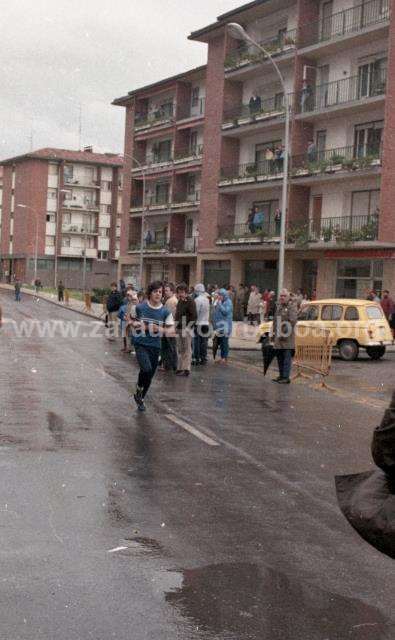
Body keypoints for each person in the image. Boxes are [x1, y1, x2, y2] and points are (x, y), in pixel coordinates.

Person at [130, 281, 175, 411]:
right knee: (146, 368)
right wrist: (136, 325)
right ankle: (139, 387)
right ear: (150, 293)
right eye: (155, 291)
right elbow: (131, 320)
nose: (158, 294)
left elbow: (171, 331)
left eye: (160, 292)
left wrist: (158, 329)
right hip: (141, 343)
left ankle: (140, 398)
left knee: (150, 375)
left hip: (155, 346)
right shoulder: (141, 307)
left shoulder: (165, 312)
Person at [273, 289, 298, 384]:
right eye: (281, 296)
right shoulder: (279, 307)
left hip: (287, 337)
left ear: (288, 297)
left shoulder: (291, 307)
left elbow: (292, 321)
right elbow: (275, 321)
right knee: (279, 357)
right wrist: (273, 333)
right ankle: (281, 375)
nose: (282, 297)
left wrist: (284, 333)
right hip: (279, 337)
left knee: (286, 358)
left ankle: (286, 377)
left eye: (284, 296)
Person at [175, 283, 197, 376]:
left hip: (186, 328)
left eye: (182, 292)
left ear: (186, 292)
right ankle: (180, 368)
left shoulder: (190, 301)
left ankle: (186, 369)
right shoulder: (180, 301)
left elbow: (194, 316)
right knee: (180, 349)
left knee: (187, 349)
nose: (180, 294)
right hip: (179, 327)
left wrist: (189, 327)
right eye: (179, 292)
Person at [212, 288, 233, 363]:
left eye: (220, 295)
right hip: (219, 326)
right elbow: (215, 313)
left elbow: (225, 312)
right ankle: (222, 357)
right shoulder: (219, 302)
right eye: (219, 295)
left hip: (225, 326)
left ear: (224, 295)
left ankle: (224, 357)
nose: (219, 297)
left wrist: (220, 304)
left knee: (224, 342)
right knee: (220, 342)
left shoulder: (228, 302)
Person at [161, 283, 178, 372]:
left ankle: (168, 365)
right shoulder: (174, 300)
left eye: (167, 291)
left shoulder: (170, 301)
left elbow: (168, 316)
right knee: (172, 346)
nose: (165, 292)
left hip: (169, 327)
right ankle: (173, 365)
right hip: (172, 327)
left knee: (168, 347)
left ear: (172, 291)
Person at [193, 283, 210, 366]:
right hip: (206, 323)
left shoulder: (197, 300)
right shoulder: (207, 299)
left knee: (197, 342)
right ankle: (203, 358)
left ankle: (196, 358)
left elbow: (196, 312)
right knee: (204, 342)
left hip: (198, 323)